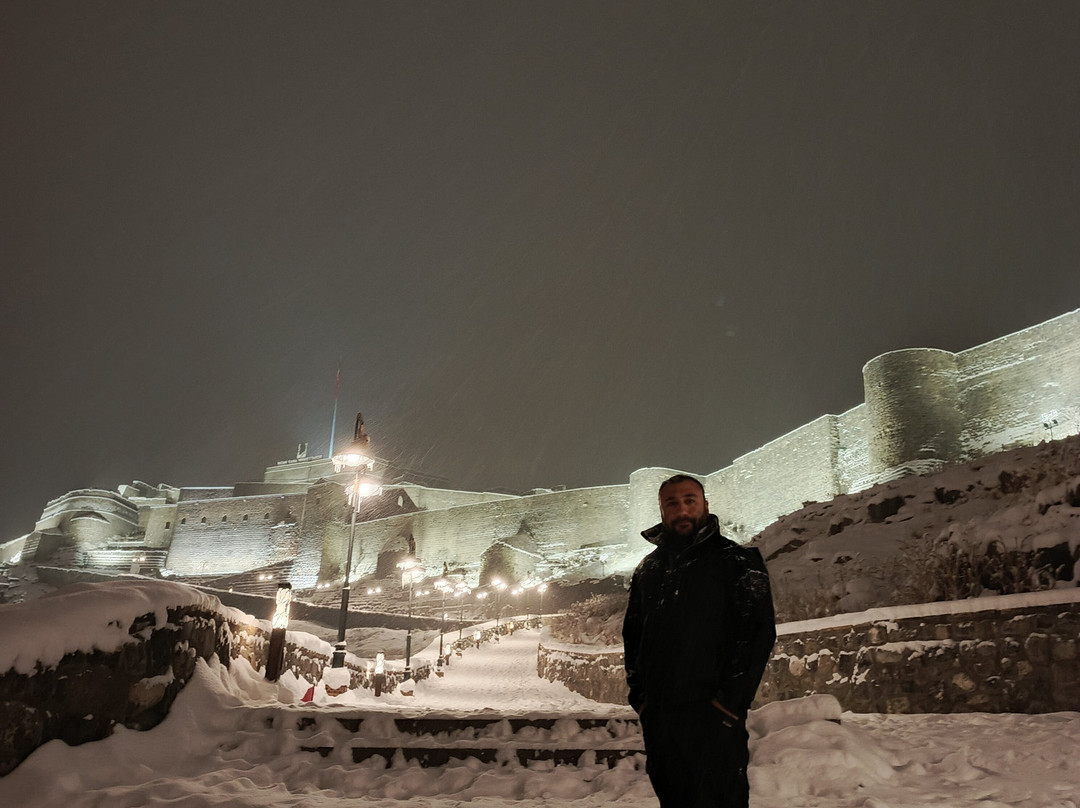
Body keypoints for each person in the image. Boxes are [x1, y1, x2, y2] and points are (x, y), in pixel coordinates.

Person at [623, 474, 775, 808]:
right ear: (662, 510)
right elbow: (632, 638)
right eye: (672, 503)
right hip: (661, 719)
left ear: (705, 504)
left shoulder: (737, 562)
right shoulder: (648, 570)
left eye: (690, 500)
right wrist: (642, 700)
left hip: (714, 719)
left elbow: (757, 635)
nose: (682, 510)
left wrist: (727, 706)